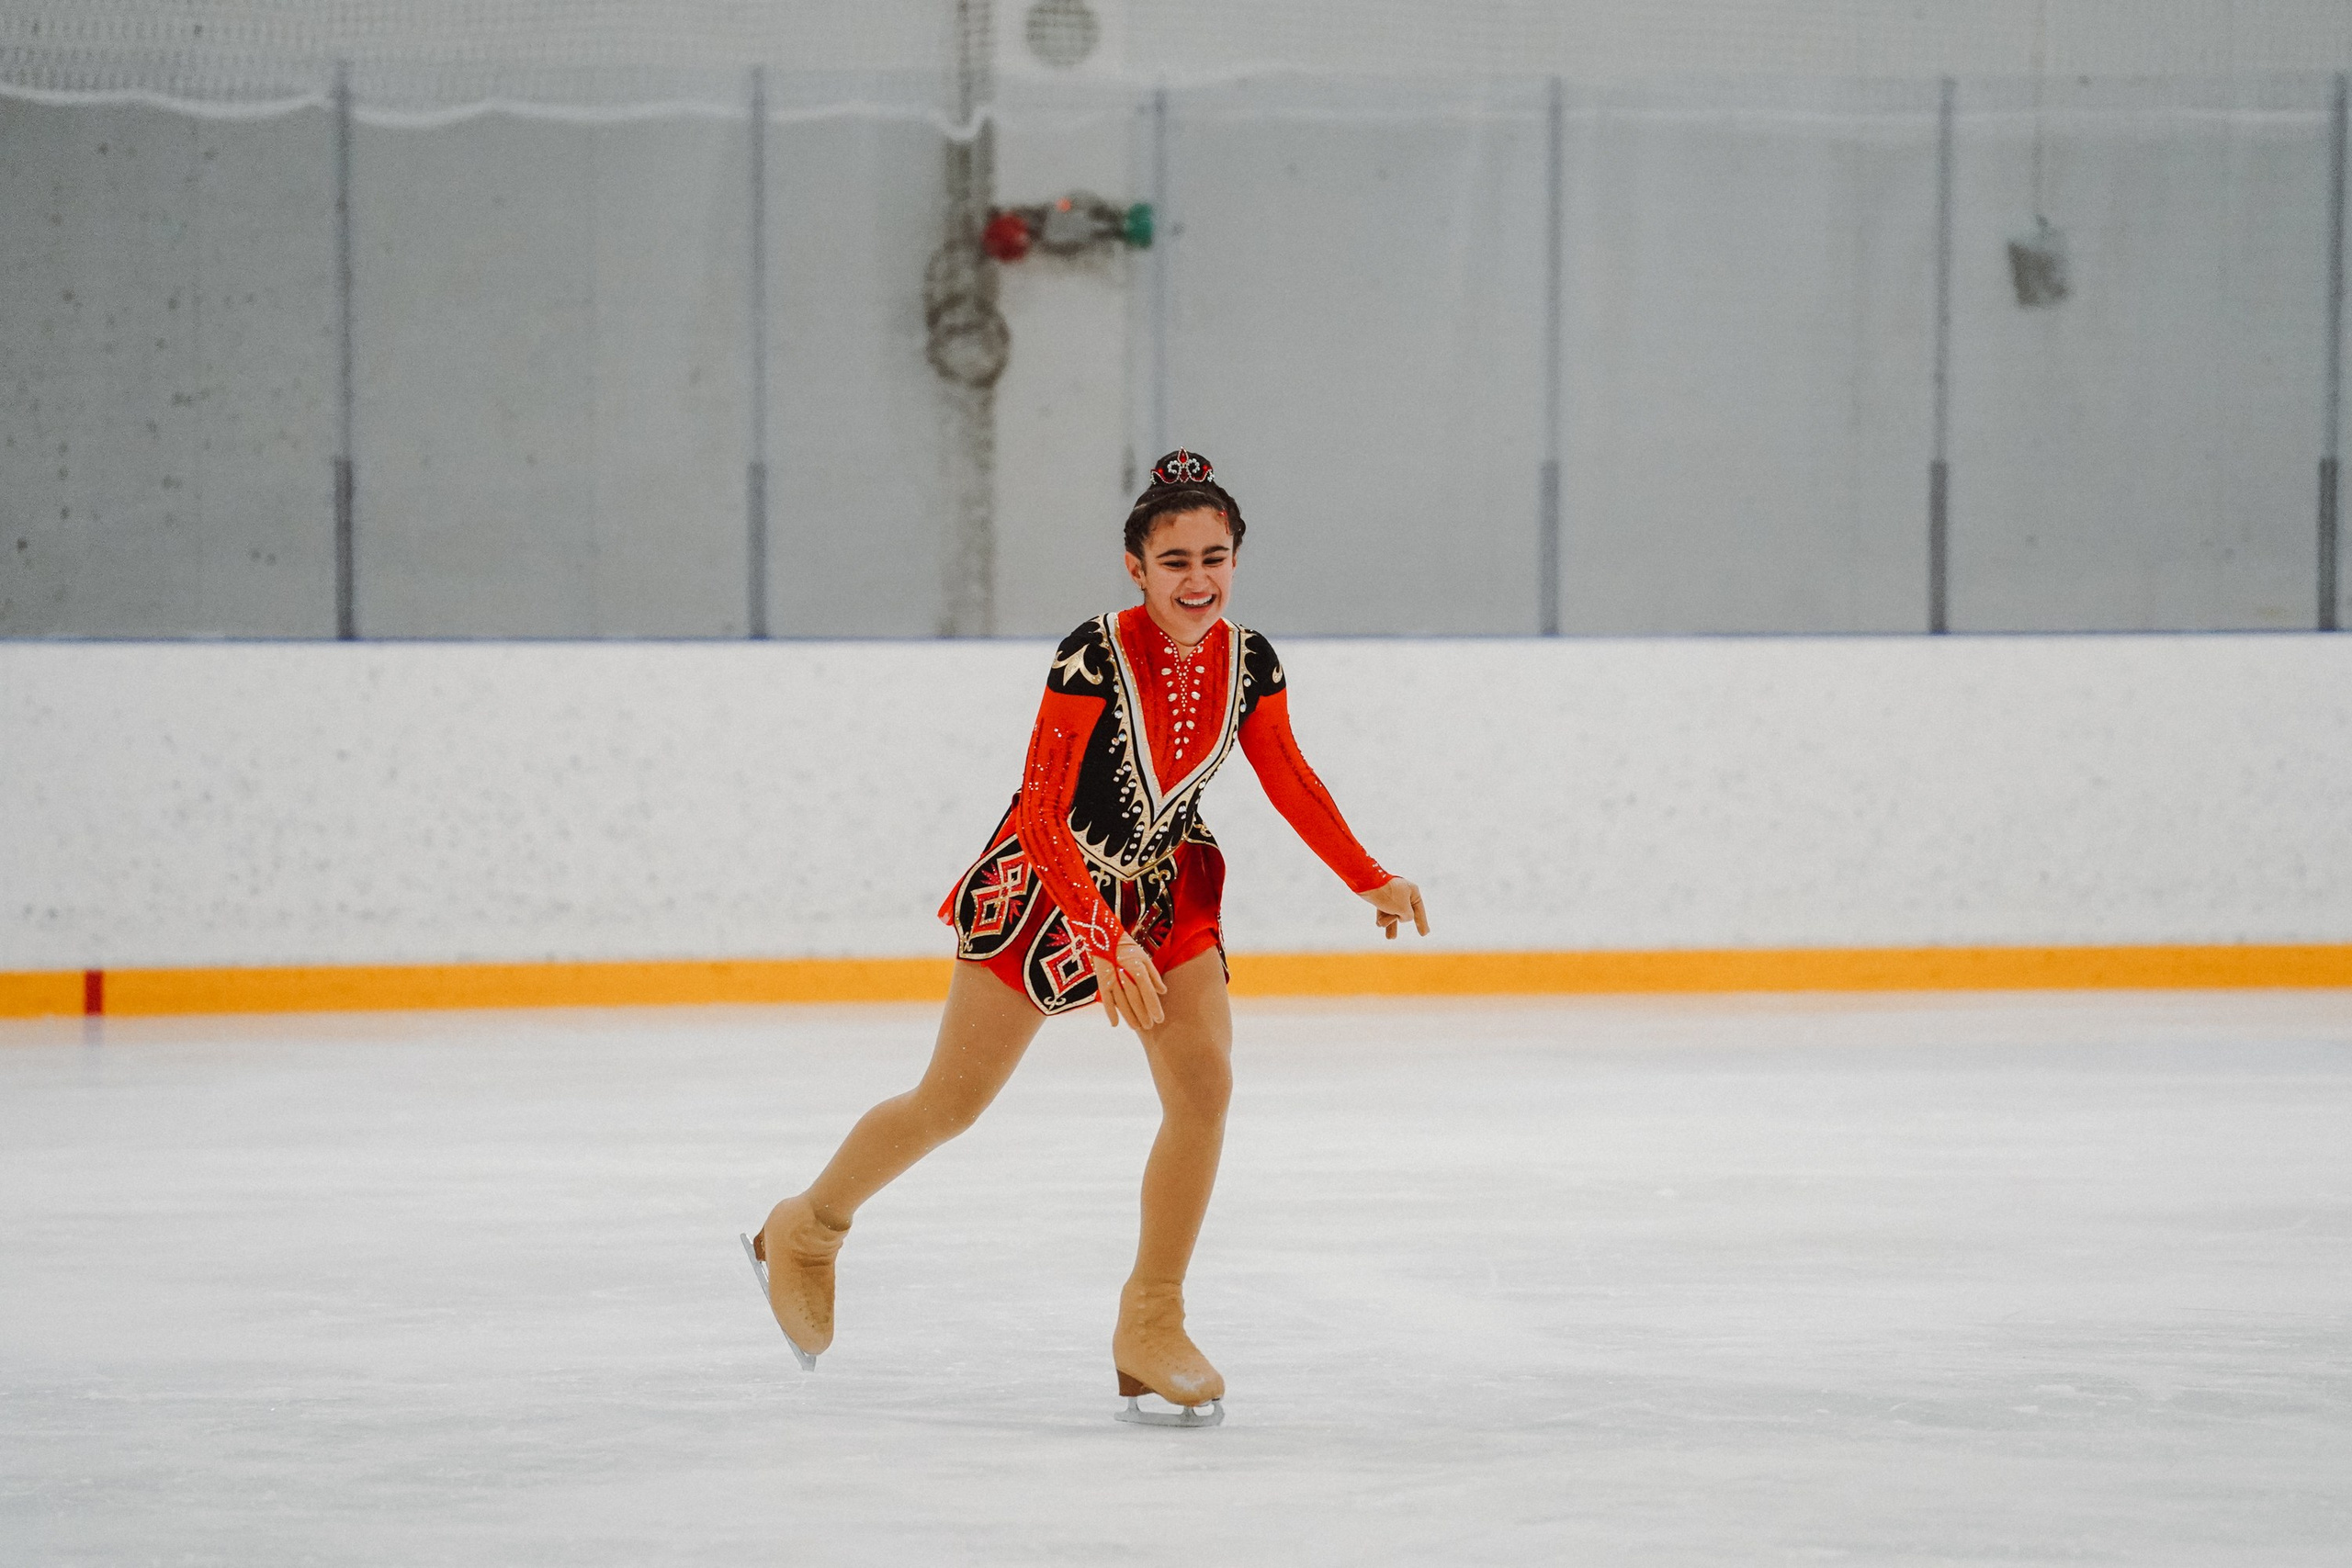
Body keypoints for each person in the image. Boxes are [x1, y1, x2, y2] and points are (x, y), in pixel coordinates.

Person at [744, 449, 1429, 1426]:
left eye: (1216, 557)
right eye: (1176, 560)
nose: (1198, 579)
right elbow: (1038, 806)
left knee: (1204, 1087)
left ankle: (1151, 1318)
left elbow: (1287, 776)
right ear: (1134, 567)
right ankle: (806, 1229)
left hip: (1165, 882)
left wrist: (1368, 873)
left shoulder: (1252, 660)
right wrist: (1097, 933)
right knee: (950, 1104)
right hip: (1046, 884)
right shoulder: (1090, 654)